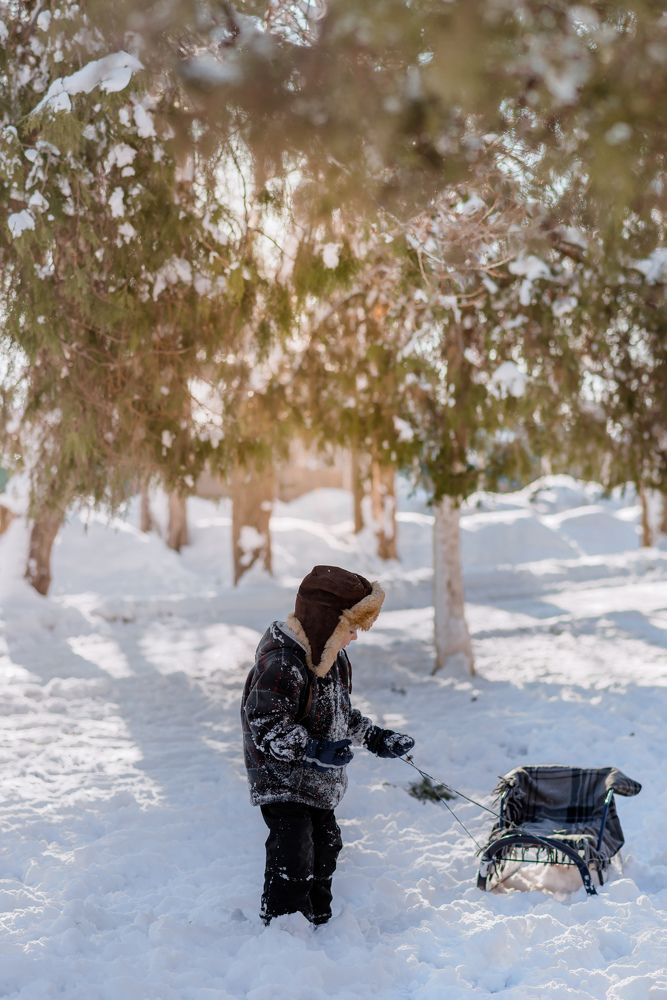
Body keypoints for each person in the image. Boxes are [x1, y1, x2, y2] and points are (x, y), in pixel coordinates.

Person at [241, 564, 415, 926]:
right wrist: (313, 750)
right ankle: (283, 929)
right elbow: (266, 724)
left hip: (317, 780)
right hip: (282, 779)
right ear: (326, 624)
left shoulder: (331, 656)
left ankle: (318, 922)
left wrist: (374, 737)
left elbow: (338, 714)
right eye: (350, 628)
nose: (354, 638)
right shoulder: (283, 664)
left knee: (326, 846)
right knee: (295, 851)